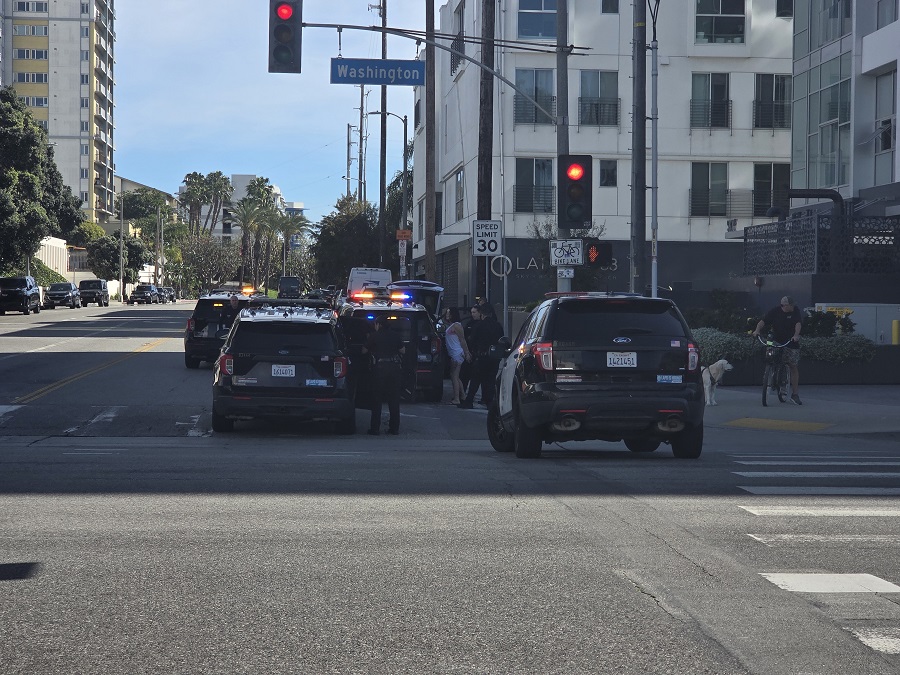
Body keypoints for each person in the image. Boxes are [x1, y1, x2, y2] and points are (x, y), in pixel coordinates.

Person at [752, 295, 803, 405]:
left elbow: (798, 323)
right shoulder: (775, 311)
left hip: (791, 341)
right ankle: (770, 376)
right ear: (785, 305)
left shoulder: (796, 311)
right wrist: (757, 331)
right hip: (776, 339)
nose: (793, 306)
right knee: (770, 353)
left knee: (792, 365)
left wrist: (796, 335)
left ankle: (795, 394)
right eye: (791, 305)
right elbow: (763, 321)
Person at [364, 315, 406, 435]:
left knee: (376, 400)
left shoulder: (374, 336)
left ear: (379, 324)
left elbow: (364, 351)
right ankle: (394, 428)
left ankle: (375, 428)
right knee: (394, 400)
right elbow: (403, 350)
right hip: (394, 369)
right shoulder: (395, 335)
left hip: (380, 369)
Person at [459, 301, 504, 409]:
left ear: (482, 314)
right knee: (490, 379)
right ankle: (489, 402)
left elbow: (472, 340)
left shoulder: (479, 325)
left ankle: (469, 401)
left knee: (475, 380)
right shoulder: (498, 326)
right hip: (494, 357)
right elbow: (501, 340)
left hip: (481, 356)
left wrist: (473, 351)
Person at [442, 307, 472, 405]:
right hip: (454, 353)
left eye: (448, 313)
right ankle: (462, 395)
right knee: (455, 376)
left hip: (457, 353)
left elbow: (462, 340)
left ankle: (457, 398)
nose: (447, 315)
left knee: (454, 376)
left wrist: (466, 352)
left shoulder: (457, 326)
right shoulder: (452, 325)